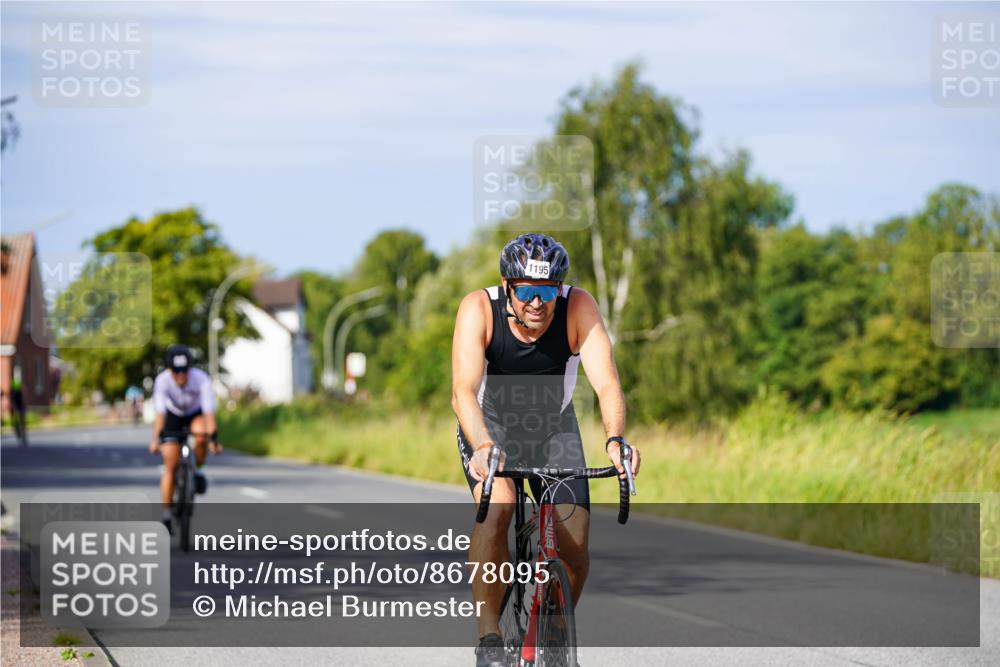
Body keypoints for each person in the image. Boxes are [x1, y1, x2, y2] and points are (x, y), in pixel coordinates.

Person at [451, 233, 641, 667]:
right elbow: (462, 391)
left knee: (574, 542)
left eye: (548, 291)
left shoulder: (578, 308)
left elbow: (608, 383)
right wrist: (482, 445)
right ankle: (489, 638)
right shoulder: (478, 309)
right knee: (498, 508)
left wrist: (615, 439)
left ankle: (554, 630)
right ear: (507, 288)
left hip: (553, 428)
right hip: (490, 427)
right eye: (528, 292)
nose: (538, 303)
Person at [148, 344, 222, 532]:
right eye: (176, 371)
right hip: (173, 415)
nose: (181, 375)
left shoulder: (201, 379)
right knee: (171, 464)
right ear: (169, 370)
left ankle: (198, 469)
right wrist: (156, 439)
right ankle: (166, 515)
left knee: (201, 435)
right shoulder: (162, 381)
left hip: (194, 413)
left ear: (190, 368)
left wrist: (213, 439)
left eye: (184, 370)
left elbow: (208, 413)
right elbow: (160, 414)